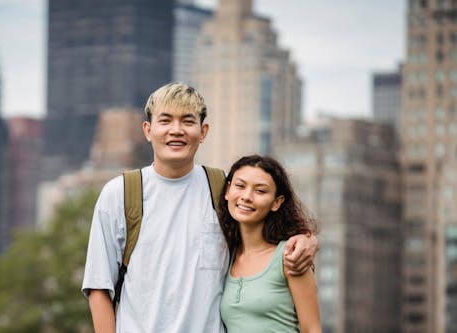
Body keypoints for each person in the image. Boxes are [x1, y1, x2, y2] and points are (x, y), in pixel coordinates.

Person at [81, 82, 319, 333]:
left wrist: (308, 240)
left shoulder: (224, 188)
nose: (176, 130)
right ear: (148, 130)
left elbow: (272, 225)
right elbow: (99, 286)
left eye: (187, 121)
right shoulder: (119, 194)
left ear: (203, 131)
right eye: (165, 121)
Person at [219, 155, 321, 333]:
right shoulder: (227, 256)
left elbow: (312, 329)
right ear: (228, 191)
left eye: (260, 191)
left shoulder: (291, 256)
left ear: (276, 202)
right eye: (240, 186)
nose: (247, 197)